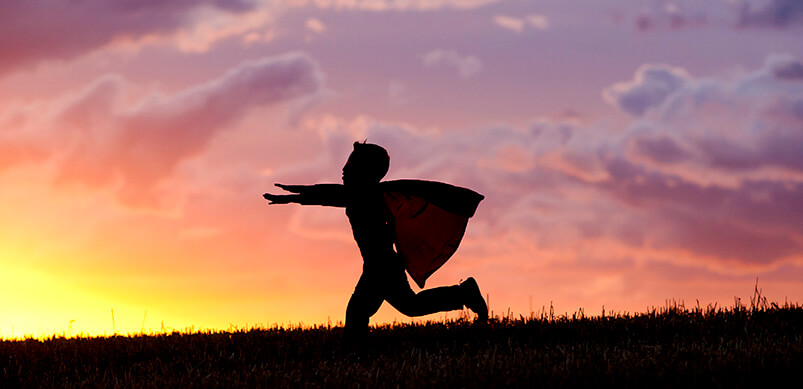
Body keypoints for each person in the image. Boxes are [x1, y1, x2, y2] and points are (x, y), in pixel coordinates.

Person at [263, 142, 488, 339]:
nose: (343, 169)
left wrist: (293, 196)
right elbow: (330, 193)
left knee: (359, 310)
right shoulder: (365, 195)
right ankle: (463, 293)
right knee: (409, 306)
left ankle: (353, 353)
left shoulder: (366, 195)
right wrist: (293, 194)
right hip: (381, 264)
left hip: (381, 265)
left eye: (350, 165)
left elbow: (328, 195)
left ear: (366, 172)